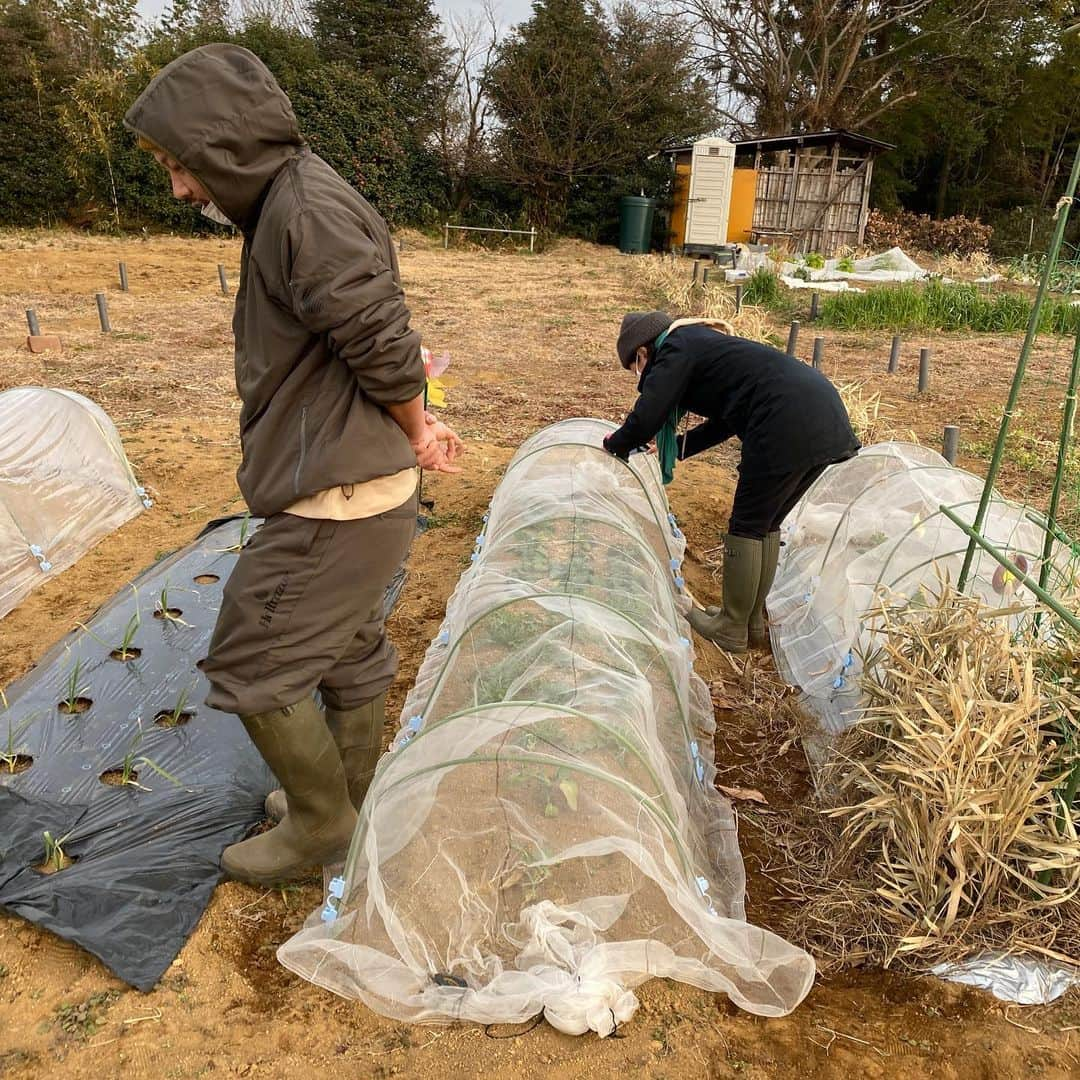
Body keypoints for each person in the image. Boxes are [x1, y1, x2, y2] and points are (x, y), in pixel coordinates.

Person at [125, 44, 463, 885]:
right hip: (353, 481)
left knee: (251, 657)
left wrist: (420, 430)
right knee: (347, 646)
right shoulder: (291, 200)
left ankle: (321, 825)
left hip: (338, 498)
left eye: (184, 165)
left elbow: (385, 349)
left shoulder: (301, 213)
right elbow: (377, 339)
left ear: (227, 148)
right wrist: (414, 424)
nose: (181, 189)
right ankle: (346, 795)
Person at [602, 311, 858, 653]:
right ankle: (751, 621)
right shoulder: (701, 344)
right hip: (822, 416)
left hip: (784, 419)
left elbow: (650, 412)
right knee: (766, 524)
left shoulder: (676, 347)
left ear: (643, 353)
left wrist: (614, 444)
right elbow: (725, 419)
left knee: (747, 526)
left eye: (636, 367)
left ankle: (730, 625)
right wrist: (678, 448)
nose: (640, 374)